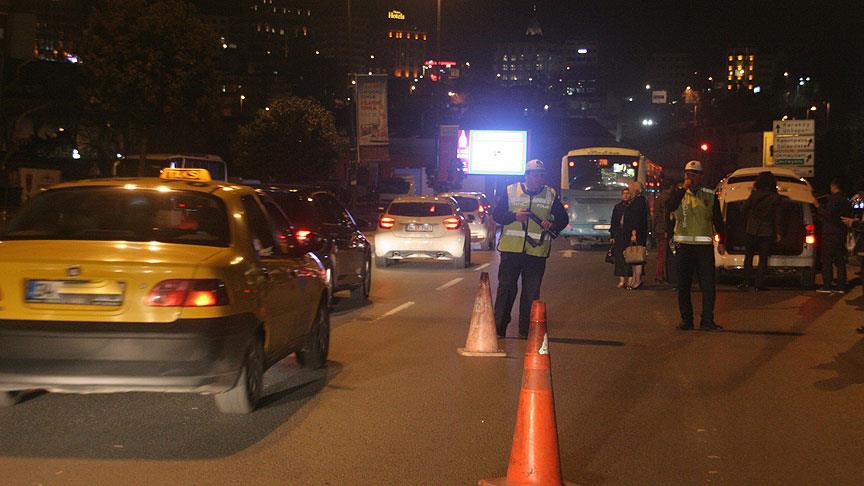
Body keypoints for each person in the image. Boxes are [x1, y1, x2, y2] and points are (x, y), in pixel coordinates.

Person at [492, 159, 569, 338]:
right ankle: (499, 329)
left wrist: (552, 224)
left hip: (536, 251)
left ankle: (526, 331)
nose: (540, 178)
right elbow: (497, 215)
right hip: (511, 250)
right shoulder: (511, 191)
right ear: (527, 175)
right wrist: (513, 216)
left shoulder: (550, 194)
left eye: (542, 175)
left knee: (531, 293)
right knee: (506, 289)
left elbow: (563, 220)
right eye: (536, 175)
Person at [667, 160, 725, 331]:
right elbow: (670, 207)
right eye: (687, 174)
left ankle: (707, 320)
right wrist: (683, 189)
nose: (689, 177)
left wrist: (722, 240)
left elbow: (718, 220)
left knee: (708, 286)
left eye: (693, 174)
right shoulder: (678, 193)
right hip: (683, 246)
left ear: (701, 176)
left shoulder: (709, 194)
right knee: (683, 286)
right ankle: (687, 320)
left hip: (703, 248)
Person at [738, 171, 784, 291]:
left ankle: (746, 282)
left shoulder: (754, 195)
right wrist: (779, 232)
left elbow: (743, 209)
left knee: (748, 257)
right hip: (766, 231)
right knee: (763, 259)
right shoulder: (775, 197)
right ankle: (759, 283)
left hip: (751, 229)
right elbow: (777, 217)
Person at [815, 178, 850, 293]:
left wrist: (818, 207)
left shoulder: (833, 199)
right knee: (840, 260)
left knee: (827, 260)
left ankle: (827, 286)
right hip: (841, 232)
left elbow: (828, 215)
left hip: (830, 233)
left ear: (834, 186)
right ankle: (841, 286)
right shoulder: (845, 200)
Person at [623, 181, 649, 289]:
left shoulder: (638, 202)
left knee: (637, 257)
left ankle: (637, 280)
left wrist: (634, 232)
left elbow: (637, 219)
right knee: (634, 257)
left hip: (636, 233)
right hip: (636, 232)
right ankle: (635, 279)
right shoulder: (638, 201)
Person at [610, 187, 632, 288]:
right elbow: (614, 222)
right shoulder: (617, 207)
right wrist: (612, 235)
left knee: (630, 257)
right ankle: (622, 280)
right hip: (619, 235)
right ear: (621, 195)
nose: (626, 195)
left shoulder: (632, 206)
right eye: (624, 194)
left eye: (628, 193)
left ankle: (630, 278)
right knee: (619, 257)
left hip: (629, 235)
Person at [652, 183, 673, 284]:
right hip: (665, 229)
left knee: (660, 253)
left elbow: (655, 215)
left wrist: (653, 228)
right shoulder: (669, 199)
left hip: (659, 229)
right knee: (664, 254)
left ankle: (660, 274)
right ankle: (659, 275)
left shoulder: (658, 199)